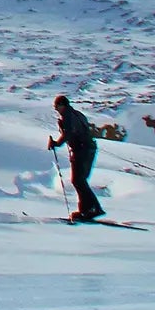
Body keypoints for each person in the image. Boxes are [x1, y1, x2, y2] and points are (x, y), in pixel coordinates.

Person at [50, 94, 106, 223]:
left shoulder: (67, 116)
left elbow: (68, 133)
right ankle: (87, 210)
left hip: (81, 150)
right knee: (80, 180)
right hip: (88, 148)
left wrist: (56, 144)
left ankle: (93, 209)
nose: (56, 109)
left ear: (62, 105)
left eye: (56, 106)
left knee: (78, 180)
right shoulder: (77, 114)